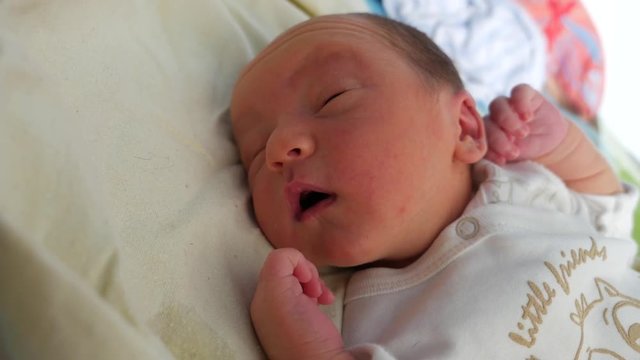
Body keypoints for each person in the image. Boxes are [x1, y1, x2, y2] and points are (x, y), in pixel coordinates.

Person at [230, 13, 639, 360]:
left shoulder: (530, 187)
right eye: (255, 155)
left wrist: (564, 145)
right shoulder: (345, 324)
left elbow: (608, 212)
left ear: (462, 126)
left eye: (332, 98)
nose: (278, 150)